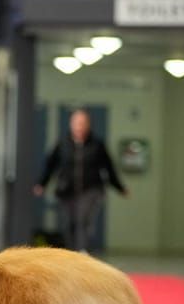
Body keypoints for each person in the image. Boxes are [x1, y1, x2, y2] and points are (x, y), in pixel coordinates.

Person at [33, 108, 128, 254]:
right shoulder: (62, 144)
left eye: (83, 123)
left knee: (83, 219)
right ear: (71, 124)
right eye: (77, 123)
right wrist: (42, 184)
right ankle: (73, 253)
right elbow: (51, 165)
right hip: (67, 190)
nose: (80, 126)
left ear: (88, 125)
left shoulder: (97, 144)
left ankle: (83, 250)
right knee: (69, 223)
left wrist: (119, 187)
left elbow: (108, 167)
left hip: (91, 189)